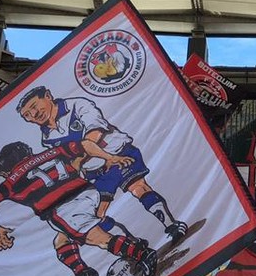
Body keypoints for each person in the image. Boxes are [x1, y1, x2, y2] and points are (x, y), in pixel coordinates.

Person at [0, 140, 158, 276]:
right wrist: (109, 157)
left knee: (96, 238)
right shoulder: (52, 152)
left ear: (6, 171)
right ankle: (83, 273)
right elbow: (85, 144)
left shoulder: (11, 182)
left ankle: (142, 254)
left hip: (63, 207)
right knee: (61, 241)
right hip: (87, 193)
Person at [16, 86, 188, 245]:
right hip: (94, 171)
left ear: (47, 96)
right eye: (27, 115)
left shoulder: (77, 105)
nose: (34, 114)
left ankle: (171, 225)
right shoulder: (46, 137)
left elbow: (95, 132)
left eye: (34, 106)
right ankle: (133, 244)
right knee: (97, 214)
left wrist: (79, 159)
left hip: (118, 153)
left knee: (138, 187)